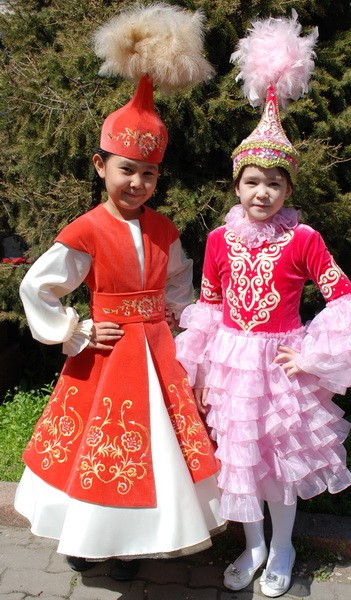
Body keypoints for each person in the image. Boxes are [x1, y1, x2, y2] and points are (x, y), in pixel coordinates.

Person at [175, 13, 351, 598]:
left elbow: (344, 298)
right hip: (231, 366)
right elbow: (209, 306)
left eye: (274, 183)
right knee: (241, 461)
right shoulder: (218, 240)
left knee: (279, 463)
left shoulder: (304, 239)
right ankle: (252, 546)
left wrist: (314, 356)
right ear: (236, 185)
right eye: (251, 181)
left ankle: (284, 546)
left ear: (289, 189)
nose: (262, 192)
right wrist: (200, 369)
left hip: (281, 366)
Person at [14, 4, 224, 581]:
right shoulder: (85, 230)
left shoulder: (163, 228)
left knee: (158, 449)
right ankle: (90, 539)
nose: (137, 182)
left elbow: (179, 281)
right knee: (100, 446)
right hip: (106, 357)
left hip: (159, 352)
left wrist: (183, 319)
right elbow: (38, 285)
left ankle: (136, 542)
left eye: (148, 173)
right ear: (100, 165)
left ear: (159, 177)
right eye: (126, 169)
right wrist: (75, 330)